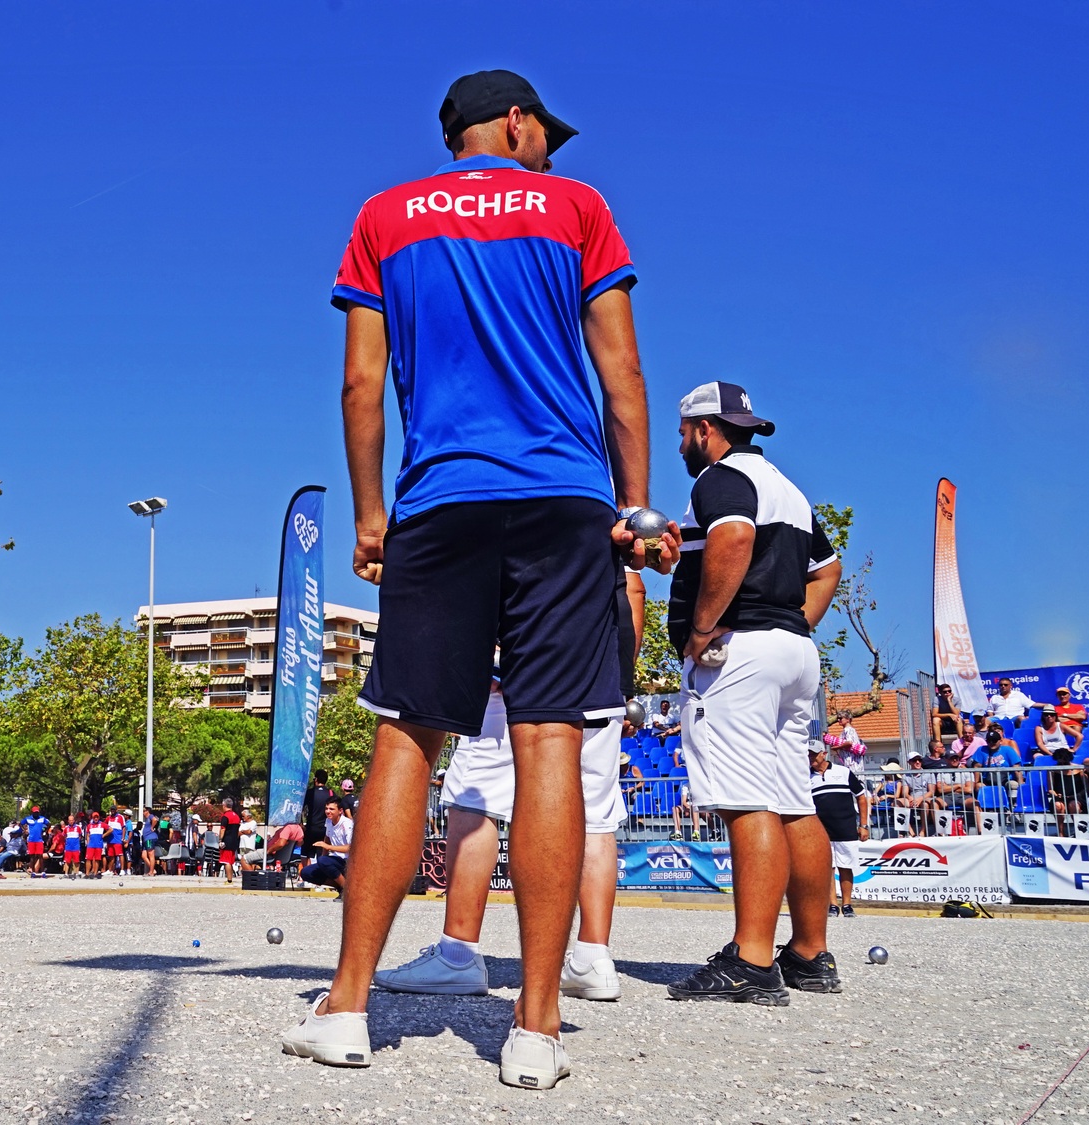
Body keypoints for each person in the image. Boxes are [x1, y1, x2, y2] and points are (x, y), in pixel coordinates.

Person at [284, 68, 669, 1091]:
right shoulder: (577, 210)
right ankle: (534, 1029)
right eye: (545, 130)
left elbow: (360, 381)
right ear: (513, 121)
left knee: (407, 739)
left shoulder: (383, 217)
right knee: (547, 741)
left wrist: (369, 510)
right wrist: (631, 508)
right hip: (558, 498)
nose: (551, 148)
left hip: (441, 502)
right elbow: (619, 374)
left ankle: (348, 1008)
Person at [376, 568, 647, 1005]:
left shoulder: (513, 497)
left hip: (519, 668)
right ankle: (593, 959)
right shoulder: (600, 504)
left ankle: (458, 954)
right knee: (595, 817)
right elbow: (634, 588)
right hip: (601, 674)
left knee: (474, 799)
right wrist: (619, 683)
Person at [664, 381, 844, 1005]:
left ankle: (751, 959)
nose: (682, 444)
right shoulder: (787, 489)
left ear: (706, 430)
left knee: (748, 801)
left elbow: (734, 540)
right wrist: (794, 622)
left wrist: (706, 626)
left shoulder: (719, 478)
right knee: (795, 802)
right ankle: (809, 954)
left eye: (684, 432)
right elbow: (827, 569)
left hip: (743, 651)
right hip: (792, 650)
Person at [809, 746, 868, 918]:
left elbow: (861, 797)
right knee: (827, 868)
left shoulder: (843, 772)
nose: (811, 757)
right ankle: (833, 905)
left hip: (845, 827)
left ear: (824, 754)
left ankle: (847, 904)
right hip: (821, 830)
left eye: (814, 753)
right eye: (808, 754)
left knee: (846, 867)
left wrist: (863, 825)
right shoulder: (805, 777)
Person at [301, 801, 353, 894]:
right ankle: (340, 886)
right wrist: (323, 857)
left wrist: (328, 847)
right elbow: (327, 838)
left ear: (340, 811)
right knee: (306, 872)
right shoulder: (328, 821)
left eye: (332, 809)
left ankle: (348, 891)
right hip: (335, 860)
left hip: (348, 861)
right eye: (326, 808)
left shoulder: (347, 824)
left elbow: (351, 848)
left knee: (323, 861)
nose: (328, 811)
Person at [217, 797, 242, 883]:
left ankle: (229, 880)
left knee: (226, 861)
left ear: (224, 805)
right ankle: (230, 878)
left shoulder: (225, 816)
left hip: (227, 841)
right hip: (234, 841)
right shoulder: (237, 816)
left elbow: (223, 829)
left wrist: (220, 840)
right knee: (230, 861)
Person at [21, 805, 50, 877]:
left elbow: (49, 824)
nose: (36, 814)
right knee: (32, 856)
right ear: (32, 812)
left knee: (40, 856)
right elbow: (21, 823)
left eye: (37, 812)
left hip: (39, 840)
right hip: (31, 840)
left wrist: (45, 831)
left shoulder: (42, 818)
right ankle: (33, 871)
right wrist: (25, 831)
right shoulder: (28, 819)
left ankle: (43, 872)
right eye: (35, 812)